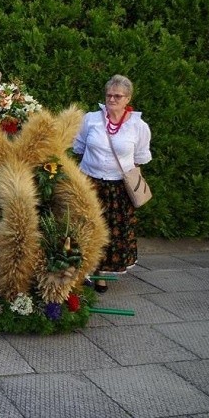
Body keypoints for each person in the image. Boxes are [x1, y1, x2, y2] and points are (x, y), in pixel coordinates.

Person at [73, 75, 152, 293]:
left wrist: (133, 185)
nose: (112, 99)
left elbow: (139, 159)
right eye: (109, 95)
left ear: (128, 98)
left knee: (111, 233)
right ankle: (84, 272)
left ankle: (102, 274)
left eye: (118, 96)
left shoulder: (138, 126)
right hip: (90, 183)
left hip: (118, 187)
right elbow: (79, 148)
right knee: (85, 228)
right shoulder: (91, 120)